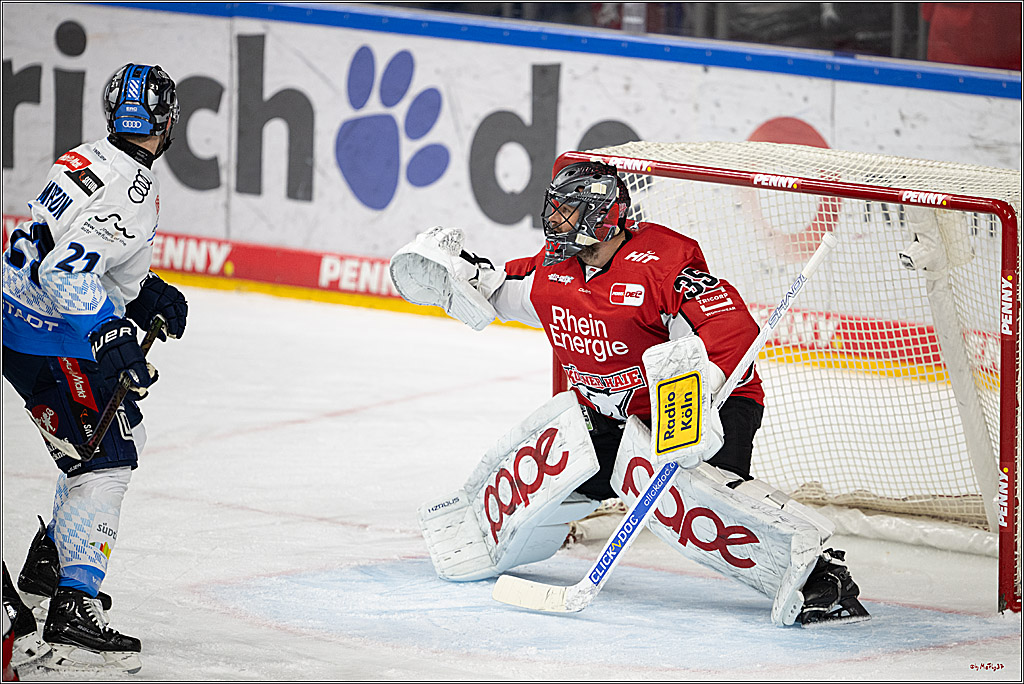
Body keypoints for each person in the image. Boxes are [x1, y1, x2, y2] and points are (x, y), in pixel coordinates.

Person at [391, 160, 869, 626]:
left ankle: (819, 575)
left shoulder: (663, 266)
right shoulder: (554, 270)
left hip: (703, 408)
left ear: (604, 215)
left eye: (568, 211)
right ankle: (486, 528)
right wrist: (459, 274)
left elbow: (731, 329)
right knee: (553, 461)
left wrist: (703, 398)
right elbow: (499, 287)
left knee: (695, 505)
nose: (555, 220)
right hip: (612, 418)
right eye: (554, 209)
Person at [2, 63, 188, 674]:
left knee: (88, 447)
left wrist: (143, 292)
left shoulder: (86, 158)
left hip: (14, 314)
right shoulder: (134, 189)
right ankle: (74, 607)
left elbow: (75, 249)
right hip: (46, 333)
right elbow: (66, 272)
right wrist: (109, 333)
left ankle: (47, 564)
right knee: (106, 458)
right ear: (165, 123)